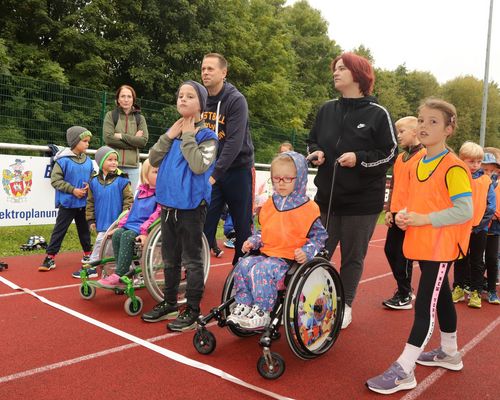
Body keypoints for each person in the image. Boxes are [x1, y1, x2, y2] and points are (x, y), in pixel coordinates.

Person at [366, 98, 473, 395]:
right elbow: (420, 200)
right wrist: (403, 215)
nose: (424, 126)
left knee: (425, 304)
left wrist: (424, 219)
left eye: (433, 122)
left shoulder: (454, 167)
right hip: (423, 244)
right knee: (442, 298)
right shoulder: (417, 163)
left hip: (441, 247)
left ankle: (405, 369)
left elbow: (465, 210)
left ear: (449, 129)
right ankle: (449, 352)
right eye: (422, 120)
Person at [307, 52, 397, 329]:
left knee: (352, 258)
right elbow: (312, 141)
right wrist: (316, 152)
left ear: (358, 75)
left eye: (342, 68)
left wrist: (359, 158)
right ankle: (313, 301)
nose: (336, 72)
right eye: (335, 68)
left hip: (362, 203)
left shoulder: (377, 114)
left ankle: (344, 305)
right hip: (326, 199)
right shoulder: (326, 110)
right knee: (317, 253)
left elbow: (390, 152)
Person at [142, 80, 218, 332]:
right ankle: (170, 303)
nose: (182, 100)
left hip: (191, 206)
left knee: (192, 260)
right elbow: (152, 158)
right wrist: (168, 136)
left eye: (189, 96)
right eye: (180, 96)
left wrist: (187, 136)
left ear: (201, 105)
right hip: (168, 205)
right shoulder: (172, 133)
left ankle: (193, 309)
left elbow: (198, 165)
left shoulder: (208, 136)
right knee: (169, 258)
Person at [227, 152, 327, 329]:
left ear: (300, 178)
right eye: (276, 179)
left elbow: (320, 238)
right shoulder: (269, 204)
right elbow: (262, 232)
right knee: (243, 264)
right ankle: (244, 303)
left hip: (288, 261)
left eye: (287, 179)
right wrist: (253, 241)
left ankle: (263, 311)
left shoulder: (309, 208)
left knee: (261, 270)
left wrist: (306, 251)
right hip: (267, 254)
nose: (280, 183)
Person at [201, 53, 255, 266]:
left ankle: (241, 270)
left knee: (242, 225)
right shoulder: (201, 98)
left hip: (237, 169)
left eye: (210, 69)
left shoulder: (236, 100)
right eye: (203, 68)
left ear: (224, 73)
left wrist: (215, 173)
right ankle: (197, 269)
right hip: (210, 171)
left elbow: (233, 142)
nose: (205, 72)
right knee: (206, 222)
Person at [71, 146, 134, 278]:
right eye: (110, 159)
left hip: (117, 222)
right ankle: (115, 271)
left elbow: (129, 201)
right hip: (102, 221)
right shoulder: (93, 181)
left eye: (115, 159)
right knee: (104, 245)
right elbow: (90, 202)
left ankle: (95, 268)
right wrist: (91, 220)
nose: (114, 162)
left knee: (107, 244)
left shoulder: (122, 180)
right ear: (101, 162)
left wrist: (123, 220)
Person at [383, 116, 425, 310]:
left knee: (403, 255)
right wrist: (389, 210)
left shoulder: (423, 156)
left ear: (415, 132)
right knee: (390, 250)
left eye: (402, 132)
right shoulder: (400, 158)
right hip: (397, 213)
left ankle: (405, 293)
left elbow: (421, 189)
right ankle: (405, 289)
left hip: (411, 216)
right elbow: (394, 186)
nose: (398, 135)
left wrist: (410, 212)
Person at [97, 159, 161, 287]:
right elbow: (131, 212)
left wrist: (144, 232)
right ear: (145, 175)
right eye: (155, 172)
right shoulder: (141, 193)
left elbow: (157, 216)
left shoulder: (162, 194)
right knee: (117, 235)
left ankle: (121, 273)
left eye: (161, 172)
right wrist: (120, 226)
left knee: (127, 236)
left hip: (146, 228)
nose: (160, 174)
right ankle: (122, 266)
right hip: (132, 225)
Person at [40, 126, 94, 271]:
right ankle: (50, 258)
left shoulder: (88, 161)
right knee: (59, 230)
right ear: (75, 142)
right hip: (67, 204)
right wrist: (73, 190)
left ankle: (88, 255)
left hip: (83, 204)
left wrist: (90, 185)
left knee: (84, 231)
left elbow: (92, 177)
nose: (88, 144)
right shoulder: (62, 161)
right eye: (85, 141)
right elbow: (55, 181)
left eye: (88, 141)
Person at [451, 141, 495, 308]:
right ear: (462, 160)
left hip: (479, 229)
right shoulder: (457, 178)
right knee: (460, 259)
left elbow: (491, 207)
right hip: (460, 228)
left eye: (478, 162)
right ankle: (459, 288)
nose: (476, 165)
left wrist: (477, 225)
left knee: (477, 261)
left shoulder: (486, 181)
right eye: (471, 161)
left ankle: (476, 292)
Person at [103, 84, 149, 192]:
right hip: (111, 166)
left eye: (129, 96)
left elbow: (143, 141)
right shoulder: (111, 115)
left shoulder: (140, 118)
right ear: (118, 99)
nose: (126, 99)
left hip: (132, 168)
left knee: (127, 203)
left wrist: (122, 136)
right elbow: (108, 139)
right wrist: (133, 141)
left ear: (133, 99)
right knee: (110, 199)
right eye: (123, 96)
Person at [480, 152, 500, 304]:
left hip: (494, 227)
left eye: (492, 170)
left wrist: (495, 215)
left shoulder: (496, 182)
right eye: (485, 169)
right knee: (475, 259)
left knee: (492, 259)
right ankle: (476, 287)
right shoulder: (476, 180)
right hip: (478, 225)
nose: (489, 173)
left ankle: (492, 290)